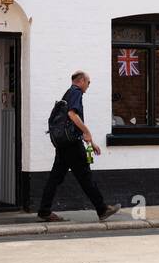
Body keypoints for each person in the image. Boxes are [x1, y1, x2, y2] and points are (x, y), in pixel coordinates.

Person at [38, 70, 120, 222]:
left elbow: (70, 125)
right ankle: (102, 209)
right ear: (81, 81)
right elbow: (72, 115)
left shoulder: (67, 94)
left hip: (63, 144)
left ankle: (44, 210)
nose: (88, 86)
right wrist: (87, 132)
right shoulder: (76, 93)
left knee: (55, 177)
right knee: (85, 176)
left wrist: (91, 142)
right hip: (72, 145)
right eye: (88, 83)